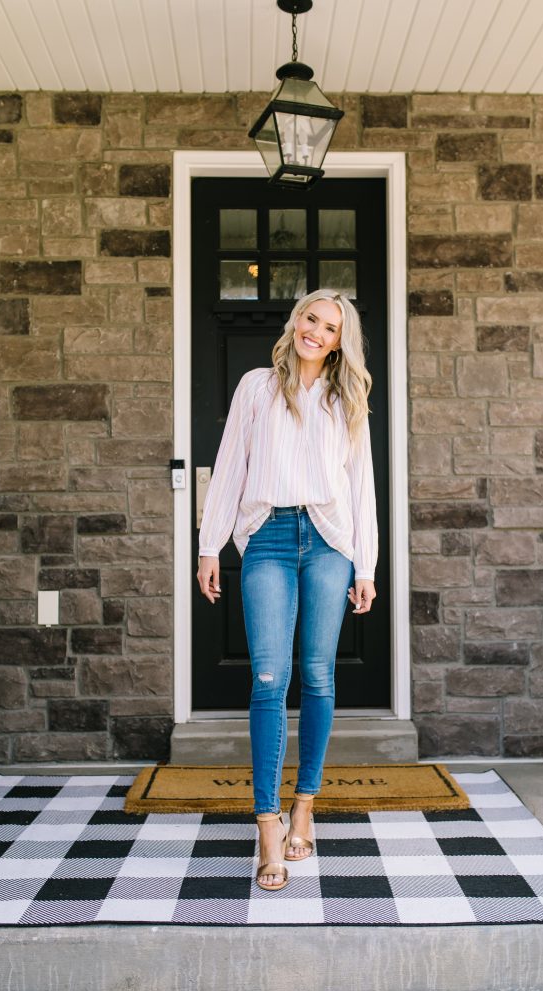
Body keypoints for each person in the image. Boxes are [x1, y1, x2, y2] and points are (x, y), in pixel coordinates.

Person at [196, 289, 378, 891]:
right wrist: (209, 544)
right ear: (295, 322)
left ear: (338, 340)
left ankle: (306, 804)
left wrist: (365, 565)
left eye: (330, 327)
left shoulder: (344, 397)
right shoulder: (256, 387)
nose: (317, 332)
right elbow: (230, 467)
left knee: (320, 675)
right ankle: (268, 822)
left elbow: (361, 486)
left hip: (329, 540)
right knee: (269, 679)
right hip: (267, 538)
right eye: (311, 319)